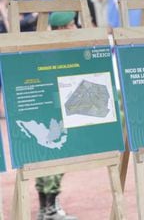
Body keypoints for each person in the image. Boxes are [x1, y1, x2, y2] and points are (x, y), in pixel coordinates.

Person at [36, 12, 77, 220]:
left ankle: (45, 209)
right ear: (61, 29)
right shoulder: (60, 51)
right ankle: (50, 209)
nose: (75, 29)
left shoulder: (43, 48)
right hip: (56, 112)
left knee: (44, 158)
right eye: (72, 25)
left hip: (46, 112)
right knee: (56, 158)